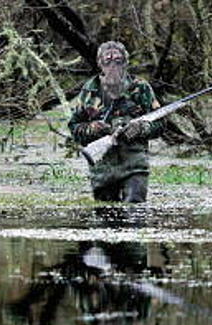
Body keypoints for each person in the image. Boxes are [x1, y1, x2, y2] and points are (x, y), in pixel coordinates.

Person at [68, 41, 163, 203]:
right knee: (105, 219)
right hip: (102, 170)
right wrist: (92, 128)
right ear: (100, 63)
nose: (113, 66)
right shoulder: (89, 90)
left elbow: (160, 124)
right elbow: (74, 128)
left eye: (118, 61)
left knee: (135, 213)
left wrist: (142, 128)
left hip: (135, 166)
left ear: (125, 63)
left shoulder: (140, 88)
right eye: (108, 61)